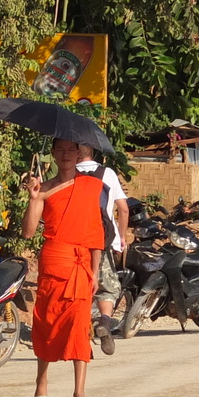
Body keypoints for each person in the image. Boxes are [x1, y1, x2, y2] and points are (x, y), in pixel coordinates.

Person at [23, 138, 107, 397]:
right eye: (60, 150)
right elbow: (28, 231)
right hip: (54, 262)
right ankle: (41, 385)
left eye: (71, 149)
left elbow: (96, 232)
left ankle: (79, 393)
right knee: (47, 323)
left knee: (80, 327)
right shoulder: (44, 189)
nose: (66, 154)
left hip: (81, 264)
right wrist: (33, 199)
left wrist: (94, 272)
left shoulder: (91, 186)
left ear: (80, 153)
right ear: (53, 155)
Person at [76, 143, 129, 355]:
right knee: (107, 287)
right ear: (93, 152)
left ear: (75, 152)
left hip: (74, 241)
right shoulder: (107, 173)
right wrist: (121, 237)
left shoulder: (66, 174)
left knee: (81, 289)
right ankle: (104, 322)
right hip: (102, 239)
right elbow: (123, 209)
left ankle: (83, 340)